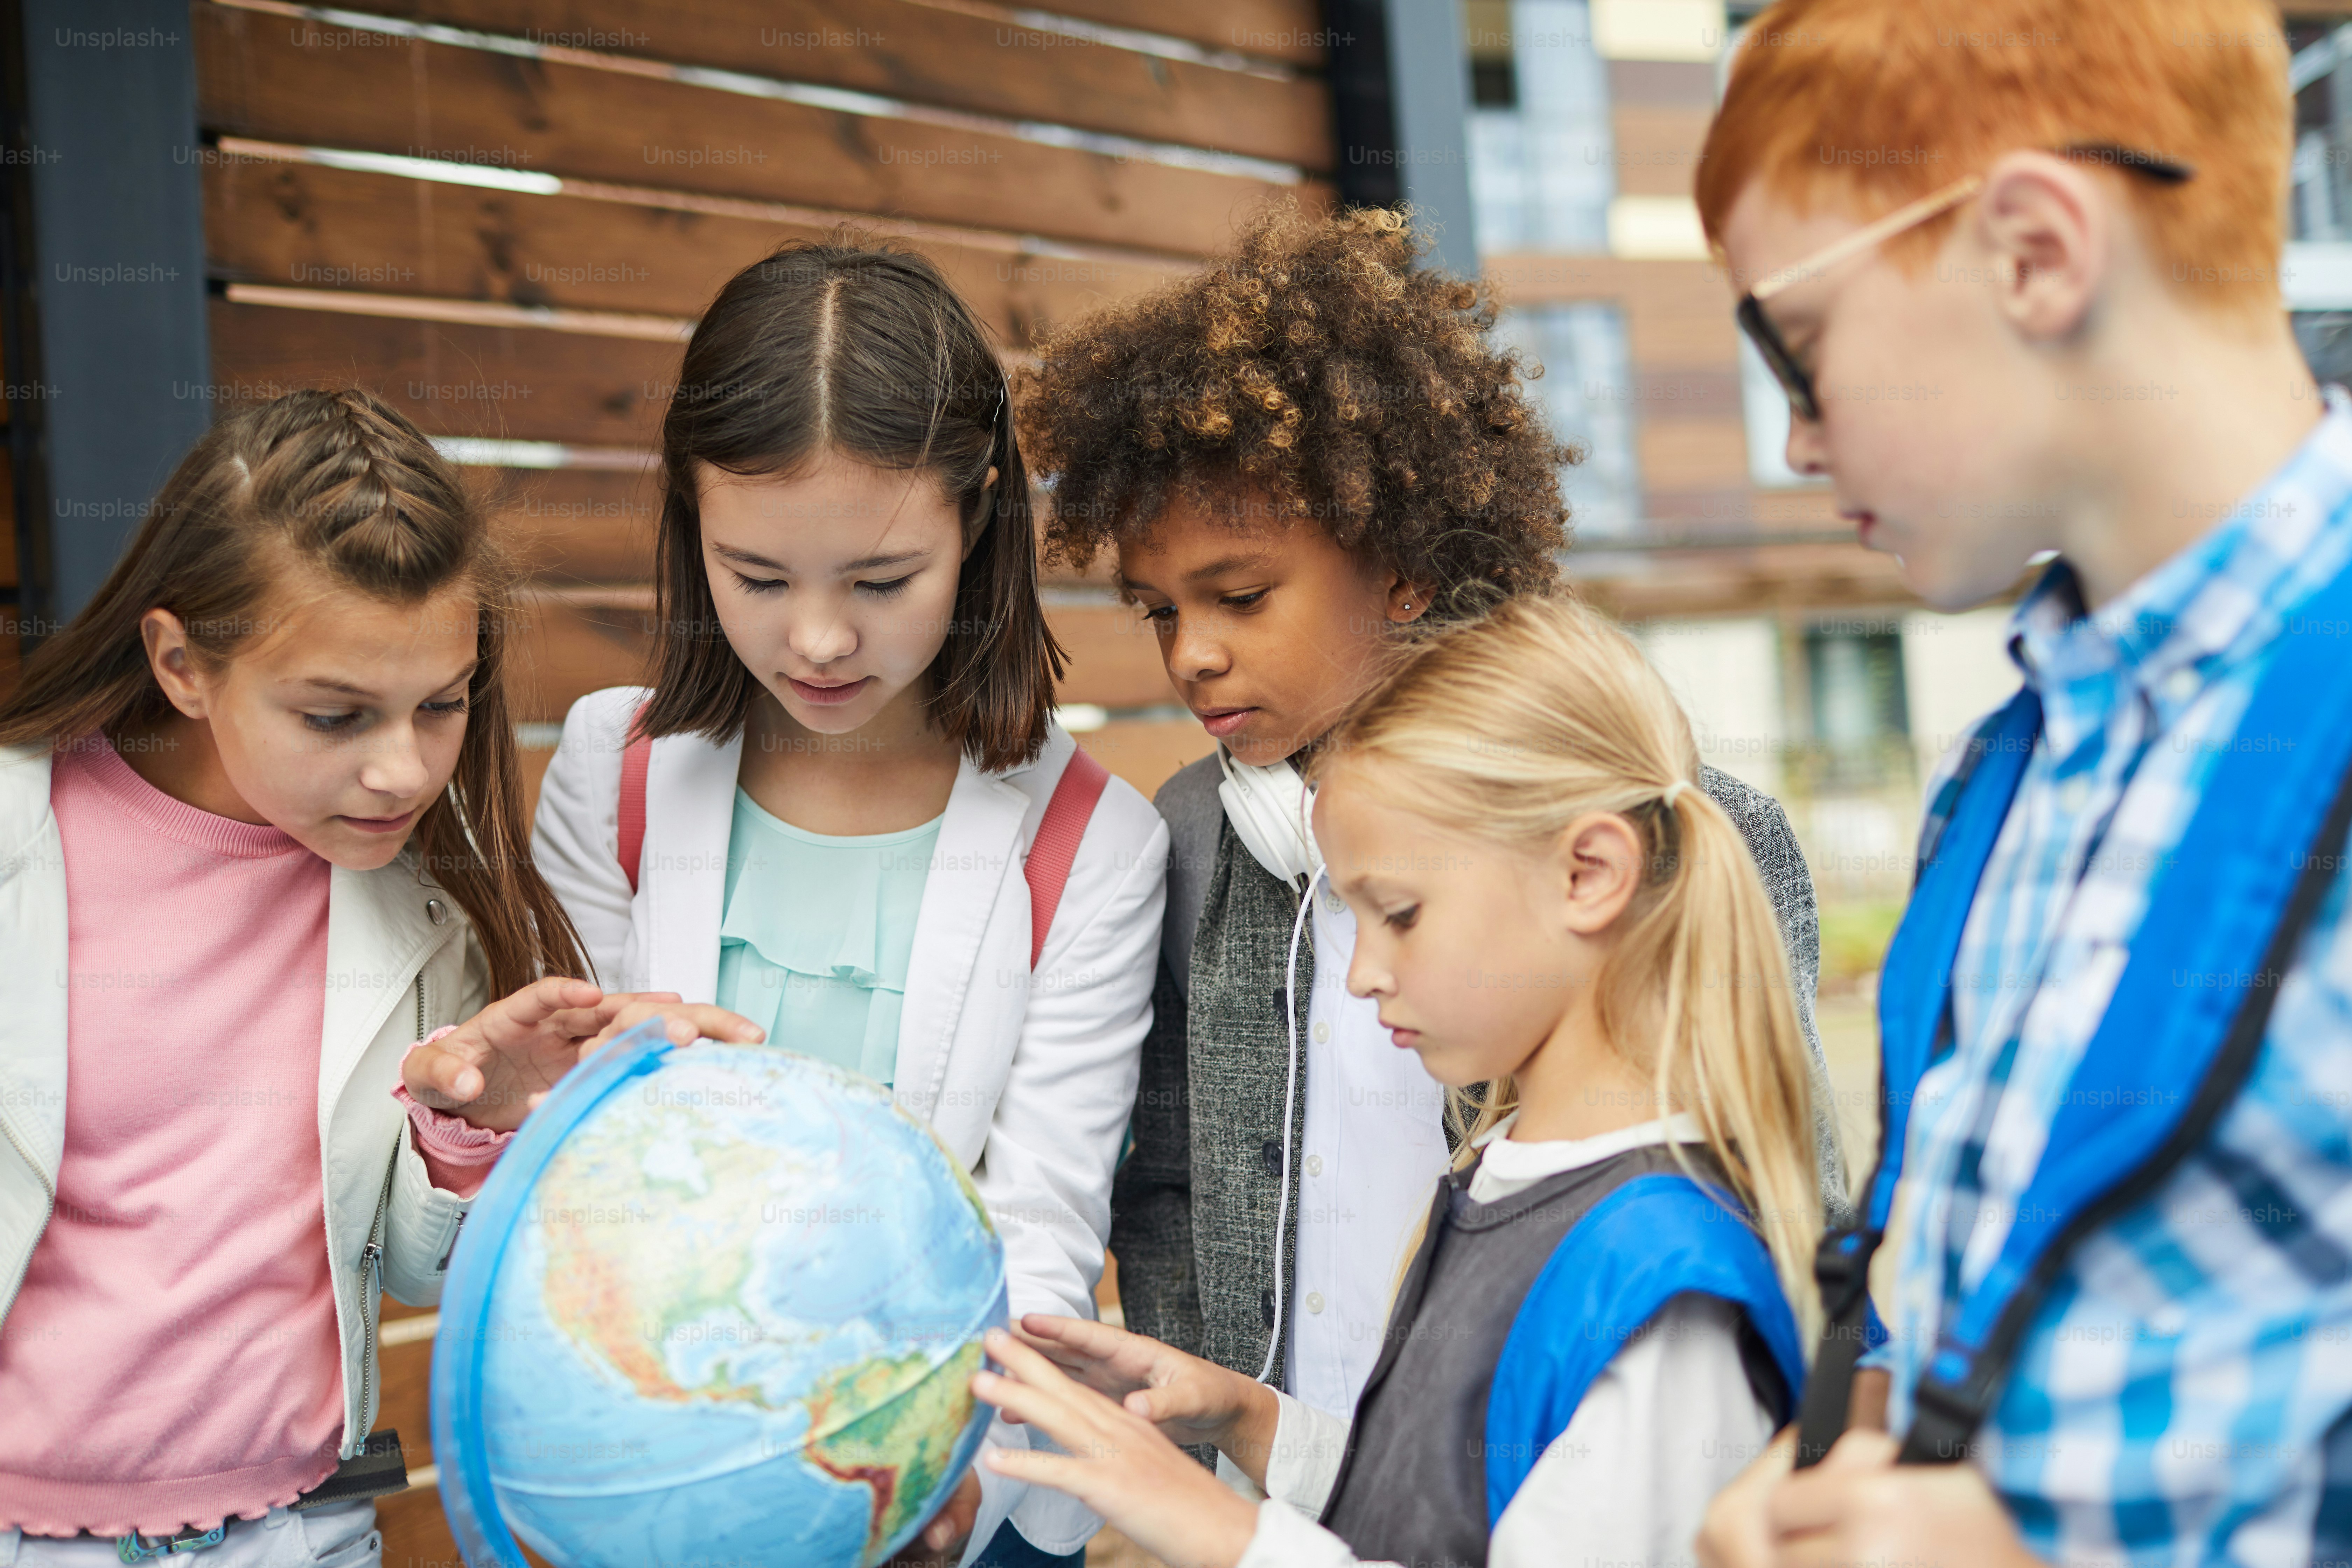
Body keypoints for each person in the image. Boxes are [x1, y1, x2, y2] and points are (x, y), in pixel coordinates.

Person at [1013, 201, 1847, 1459]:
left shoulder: (1667, 821)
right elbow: (1170, 1181)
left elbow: (1783, 1192)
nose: (1192, 655)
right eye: (1159, 611)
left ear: (1400, 567)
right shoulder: (1192, 838)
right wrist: (1207, 1452)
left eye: (1241, 596)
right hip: (1280, 1480)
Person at [1688, 2, 2352, 1565]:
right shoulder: (2008, 772)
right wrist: (1846, 1447)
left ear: (2036, 252)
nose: (1798, 443)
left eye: (1797, 348)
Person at [0, 389, 753, 1567]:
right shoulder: (20, 838)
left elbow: (406, 1266)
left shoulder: (425, 907)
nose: (402, 770)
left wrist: (471, 1121)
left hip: (308, 1529)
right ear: (182, 663)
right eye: (335, 715)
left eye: (440, 705)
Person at [530, 238, 1168, 1568]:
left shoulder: (1093, 843)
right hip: (679, 1467)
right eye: (758, 578)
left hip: (952, 1487)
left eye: (881, 583)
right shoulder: (613, 769)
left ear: (978, 518)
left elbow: (1038, 1231)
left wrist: (926, 1487)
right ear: (689, 523)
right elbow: (564, 1164)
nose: (819, 640)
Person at [968, 595, 1822, 1568]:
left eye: (1401, 914)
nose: (1363, 973)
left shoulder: (1666, 1291)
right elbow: (1454, 1501)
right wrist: (1250, 1419)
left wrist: (1225, 1533)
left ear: (1590, 873)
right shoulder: (1499, 1169)